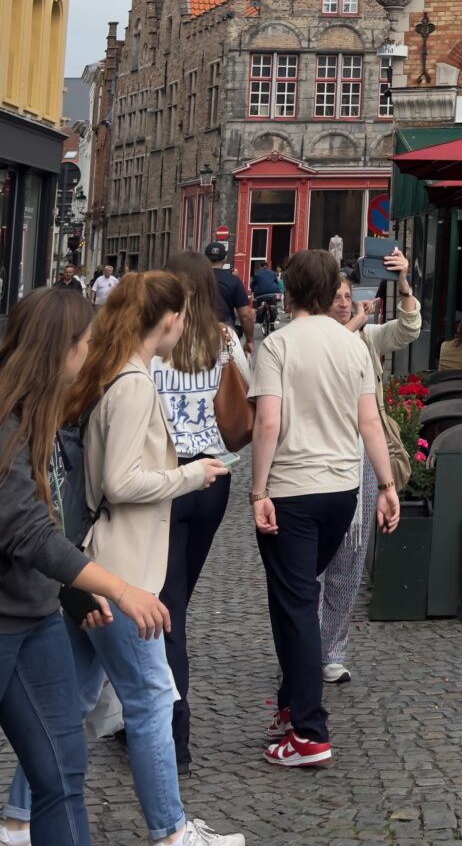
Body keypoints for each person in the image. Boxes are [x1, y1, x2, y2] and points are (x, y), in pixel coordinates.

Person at [67, 272, 242, 846]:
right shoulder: (135, 382)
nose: (187, 325)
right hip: (123, 571)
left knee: (70, 705)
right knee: (150, 701)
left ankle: (18, 820)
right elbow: (119, 481)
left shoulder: (113, 372)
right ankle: (171, 831)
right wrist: (191, 474)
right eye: (184, 315)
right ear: (167, 320)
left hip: (104, 562)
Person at [0, 286, 175, 846]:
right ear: (60, 350)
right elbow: (24, 530)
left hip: (37, 616)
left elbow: (48, 525)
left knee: (62, 772)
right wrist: (121, 590)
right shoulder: (6, 426)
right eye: (86, 344)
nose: (91, 354)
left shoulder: (44, 418)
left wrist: (73, 593)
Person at [248, 249, 400, 768]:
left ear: (290, 291)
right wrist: (386, 484)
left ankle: (309, 732)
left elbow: (267, 423)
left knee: (293, 606)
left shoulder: (277, 345)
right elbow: (370, 423)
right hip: (341, 491)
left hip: (291, 490)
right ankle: (292, 709)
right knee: (297, 599)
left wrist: (257, 490)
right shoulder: (351, 343)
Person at [150, 250, 249, 769]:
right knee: (175, 601)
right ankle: (154, 716)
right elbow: (245, 398)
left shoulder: (151, 343)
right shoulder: (225, 340)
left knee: (170, 610)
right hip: (213, 480)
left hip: (167, 479)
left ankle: (172, 736)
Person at [318, 249, 420, 686]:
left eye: (347, 296)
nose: (344, 303)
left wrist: (405, 286)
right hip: (317, 457)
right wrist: (354, 324)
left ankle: (332, 651)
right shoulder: (307, 338)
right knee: (311, 564)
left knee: (350, 555)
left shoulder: (367, 338)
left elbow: (408, 329)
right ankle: (303, 647)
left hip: (360, 455)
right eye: (336, 297)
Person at [203, 245, 255, 352]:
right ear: (225, 259)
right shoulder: (234, 281)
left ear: (205, 258)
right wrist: (249, 340)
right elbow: (245, 315)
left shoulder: (196, 279)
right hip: (225, 332)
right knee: (229, 363)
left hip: (199, 331)